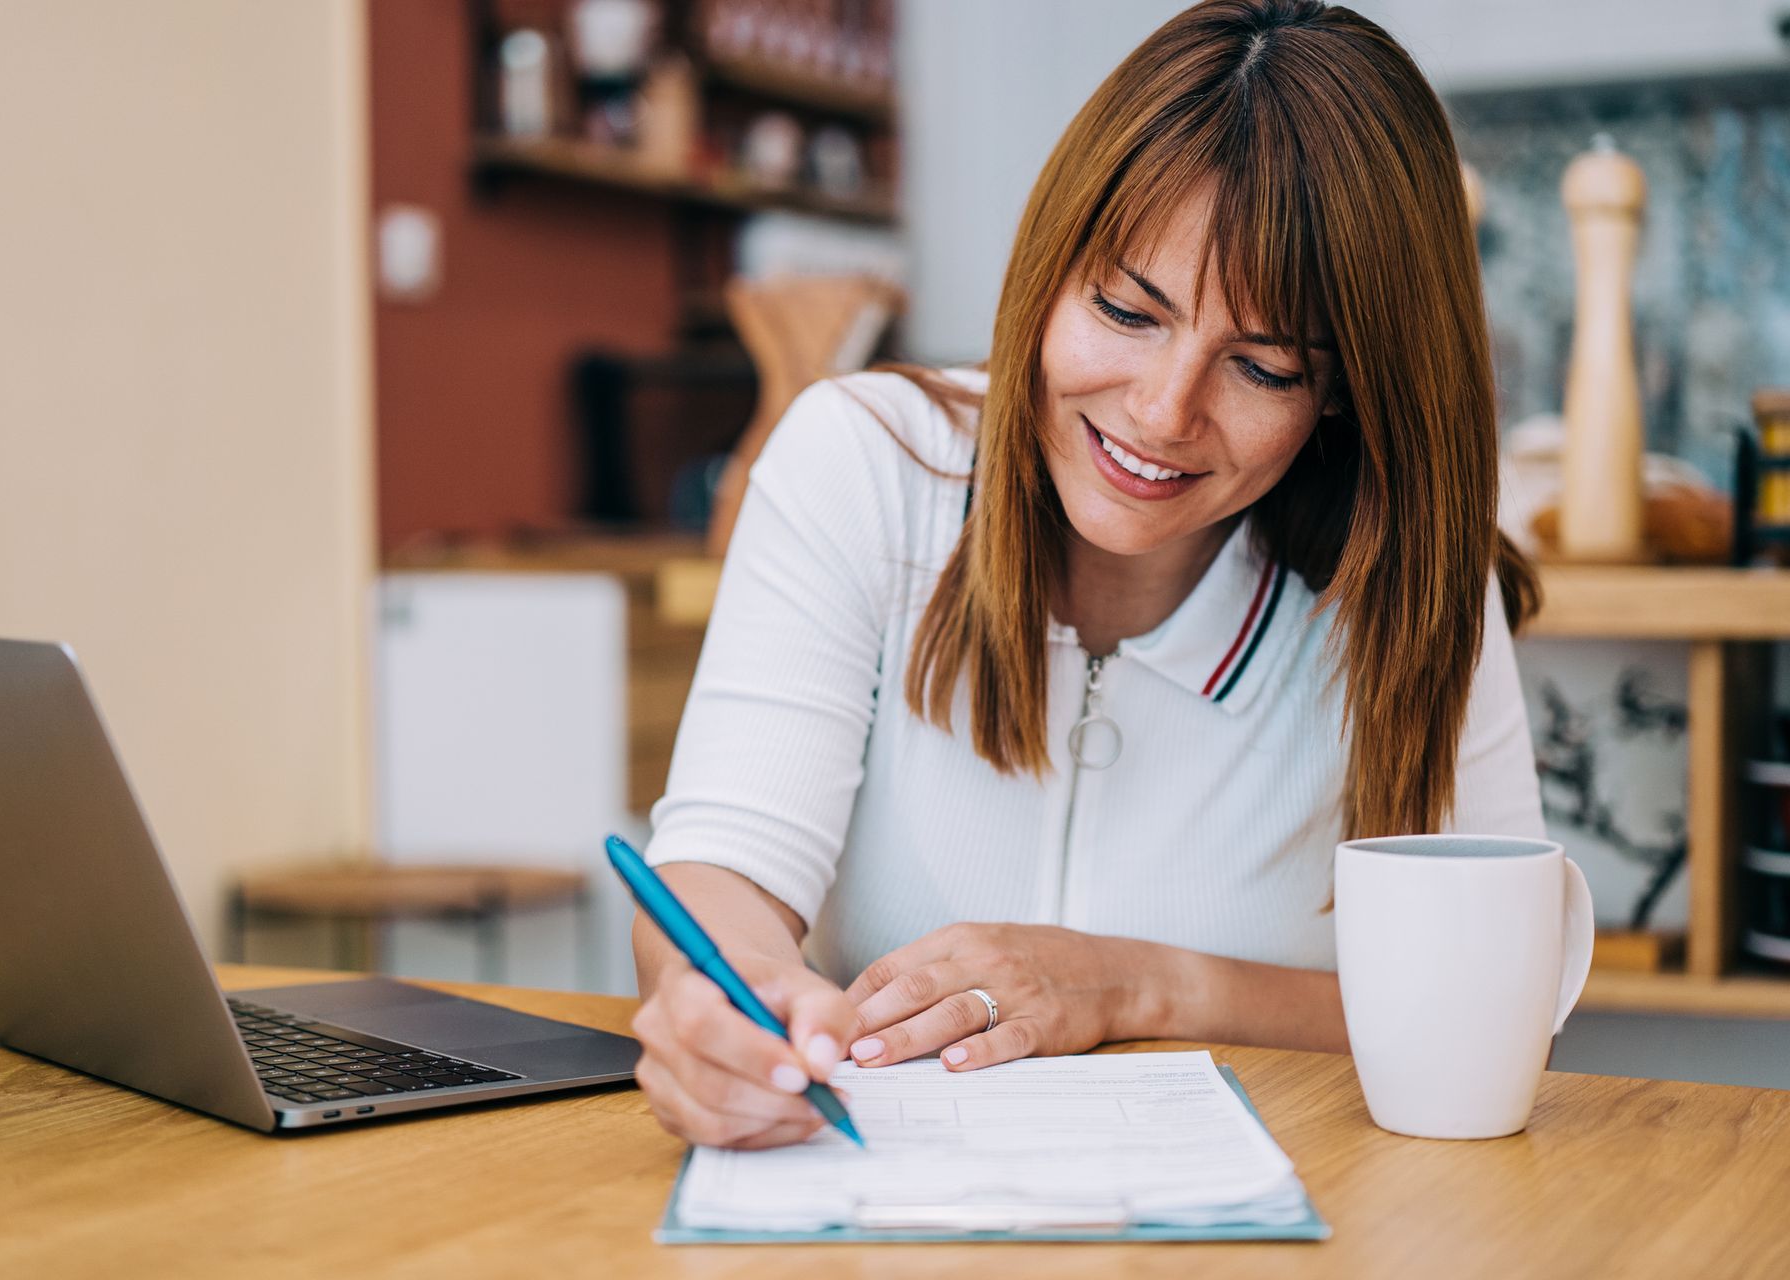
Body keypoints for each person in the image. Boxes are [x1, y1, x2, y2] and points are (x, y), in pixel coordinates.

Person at [629, 0, 1546, 1150]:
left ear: (1344, 392)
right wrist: (727, 1001)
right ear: (1048, 267)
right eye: (1126, 309)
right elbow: (725, 866)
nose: (1162, 413)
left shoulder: (1413, 586)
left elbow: (1497, 1010)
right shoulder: (861, 463)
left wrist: (1135, 984)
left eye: (1261, 366)